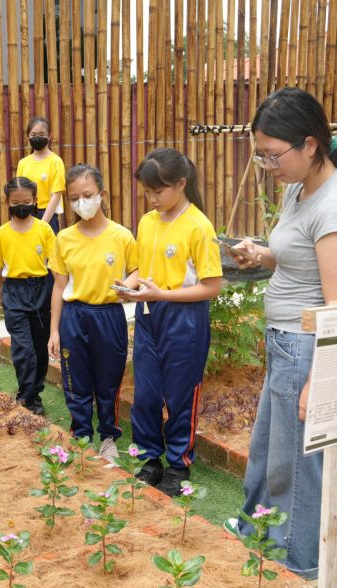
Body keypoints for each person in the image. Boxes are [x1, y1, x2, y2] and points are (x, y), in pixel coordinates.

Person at [231, 87, 337, 578]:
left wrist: (320, 380)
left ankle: (301, 562)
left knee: (300, 463)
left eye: (273, 155)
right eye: (261, 155)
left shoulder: (335, 210)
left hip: (307, 347)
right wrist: (262, 255)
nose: (269, 166)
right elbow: (296, 258)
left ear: (310, 145)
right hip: (285, 342)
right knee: (269, 449)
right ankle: (256, 529)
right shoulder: (298, 188)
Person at [115, 148, 223, 497]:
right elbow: (142, 273)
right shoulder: (147, 222)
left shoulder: (199, 227)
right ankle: (150, 459)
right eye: (147, 191)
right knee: (145, 392)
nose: (151, 199)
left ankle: (179, 464)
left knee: (180, 395)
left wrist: (160, 295)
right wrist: (126, 288)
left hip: (185, 319)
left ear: (181, 183)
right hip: (149, 314)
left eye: (158, 191)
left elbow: (211, 288)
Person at [47, 164, 137, 463]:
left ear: (102, 194)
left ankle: (109, 437)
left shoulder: (122, 236)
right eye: (74, 198)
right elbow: (59, 286)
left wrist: (128, 285)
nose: (81, 202)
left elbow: (136, 271)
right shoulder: (64, 239)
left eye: (87, 195)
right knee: (76, 382)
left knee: (108, 382)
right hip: (75, 315)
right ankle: (80, 436)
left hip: (109, 315)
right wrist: (55, 330)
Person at [0, 177, 56, 415]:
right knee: (23, 349)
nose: (21, 206)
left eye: (26, 201)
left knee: (39, 348)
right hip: (14, 292)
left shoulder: (44, 230)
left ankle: (34, 393)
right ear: (7, 202)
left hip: (41, 290)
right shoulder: (2, 233)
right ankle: (26, 397)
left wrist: (61, 302)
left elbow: (57, 268)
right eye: (16, 202)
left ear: (35, 200)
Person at [15, 117, 66, 234]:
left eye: (41, 134)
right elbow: (18, 192)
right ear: (28, 136)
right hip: (26, 213)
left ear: (49, 136)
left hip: (48, 215)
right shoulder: (23, 163)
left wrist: (43, 223)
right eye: (33, 134)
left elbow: (56, 194)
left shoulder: (55, 161)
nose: (37, 137)